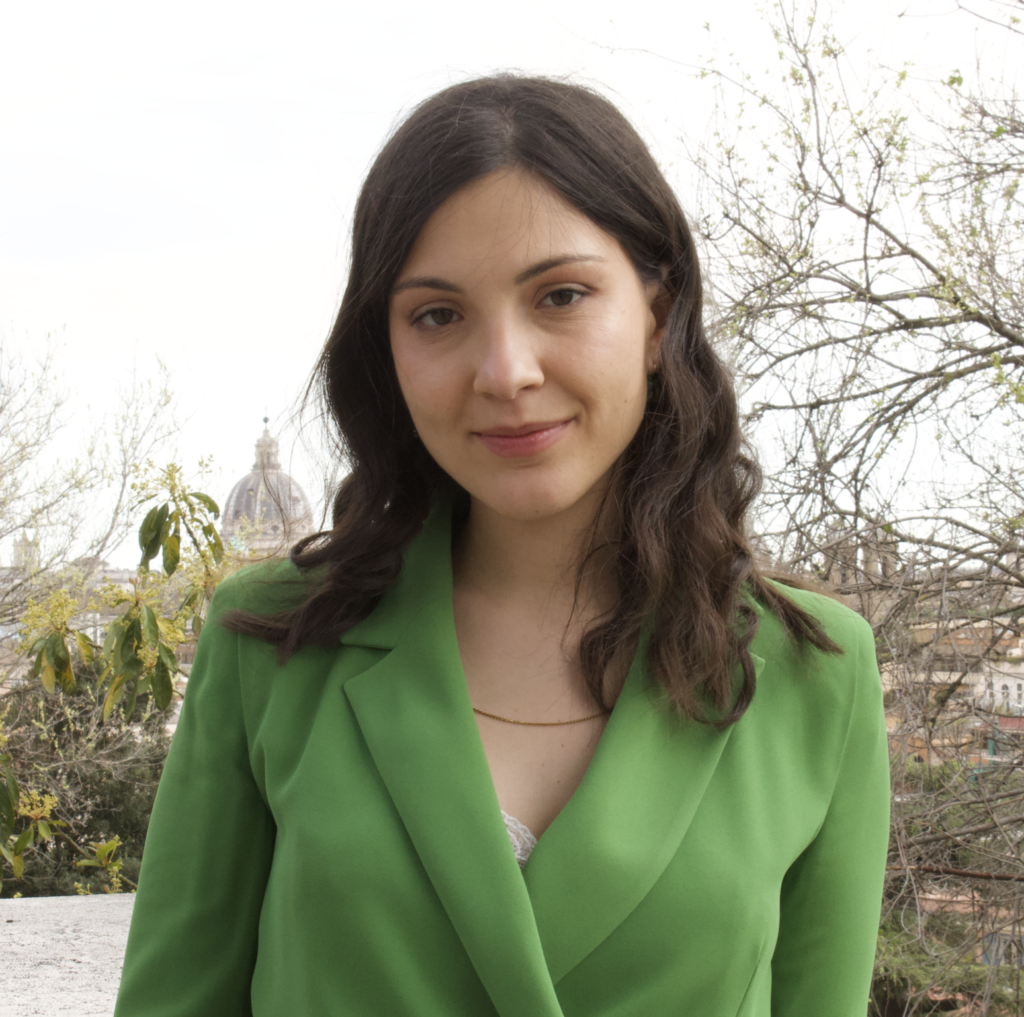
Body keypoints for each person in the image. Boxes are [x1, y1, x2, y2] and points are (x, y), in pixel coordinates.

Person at [113, 75, 890, 1017]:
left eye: (560, 295)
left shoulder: (818, 677)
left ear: (658, 317)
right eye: (438, 315)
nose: (506, 372)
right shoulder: (271, 646)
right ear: (387, 349)